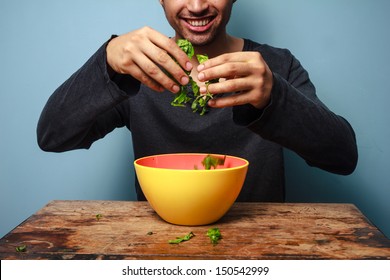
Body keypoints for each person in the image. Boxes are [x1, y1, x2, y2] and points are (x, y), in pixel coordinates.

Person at [37, 0, 358, 202]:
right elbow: (53, 136)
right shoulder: (135, 69)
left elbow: (343, 157)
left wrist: (275, 95)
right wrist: (105, 62)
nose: (196, 5)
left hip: (260, 247)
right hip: (156, 246)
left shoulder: (276, 65)